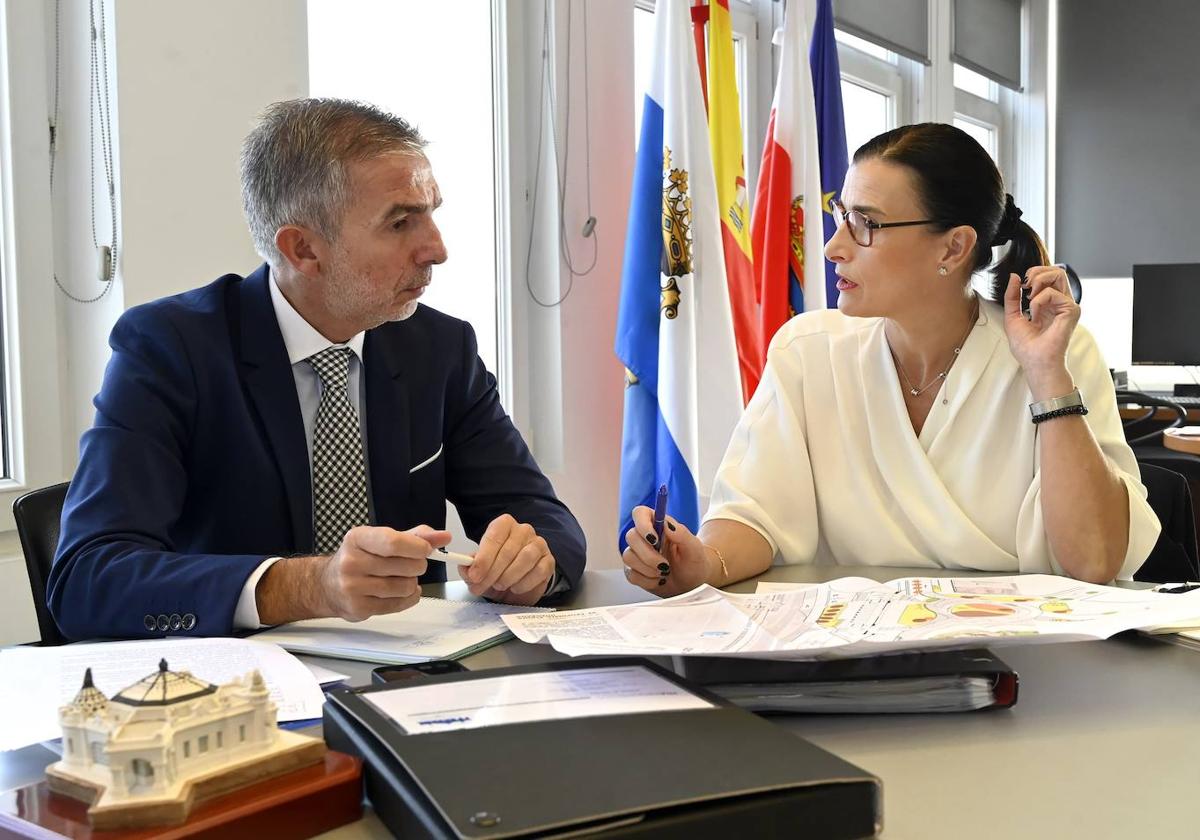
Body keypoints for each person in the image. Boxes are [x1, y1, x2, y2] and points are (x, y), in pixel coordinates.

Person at [48, 98, 586, 641]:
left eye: (431, 213)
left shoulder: (440, 347)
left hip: (408, 673)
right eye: (400, 221)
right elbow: (88, 579)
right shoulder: (171, 348)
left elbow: (542, 516)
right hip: (240, 695)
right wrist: (310, 586)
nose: (437, 249)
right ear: (303, 248)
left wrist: (531, 561)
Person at [622, 122, 1158, 594]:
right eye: (841, 216)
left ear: (952, 248)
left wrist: (1045, 374)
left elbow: (1092, 561)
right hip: (855, 658)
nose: (834, 247)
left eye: (867, 224)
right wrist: (703, 563)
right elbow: (757, 514)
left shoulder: (1056, 351)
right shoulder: (808, 351)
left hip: (1033, 662)